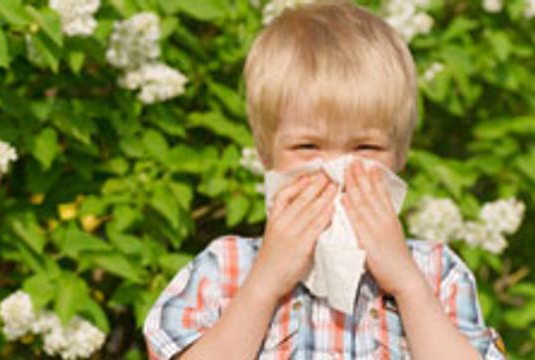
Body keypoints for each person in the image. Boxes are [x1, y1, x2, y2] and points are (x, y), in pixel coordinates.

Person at [142, 0, 507, 358]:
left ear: (400, 153)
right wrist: (264, 284)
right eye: (307, 146)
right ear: (267, 153)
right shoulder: (226, 268)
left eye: (365, 146)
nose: (336, 170)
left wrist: (407, 286)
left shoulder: (436, 272)